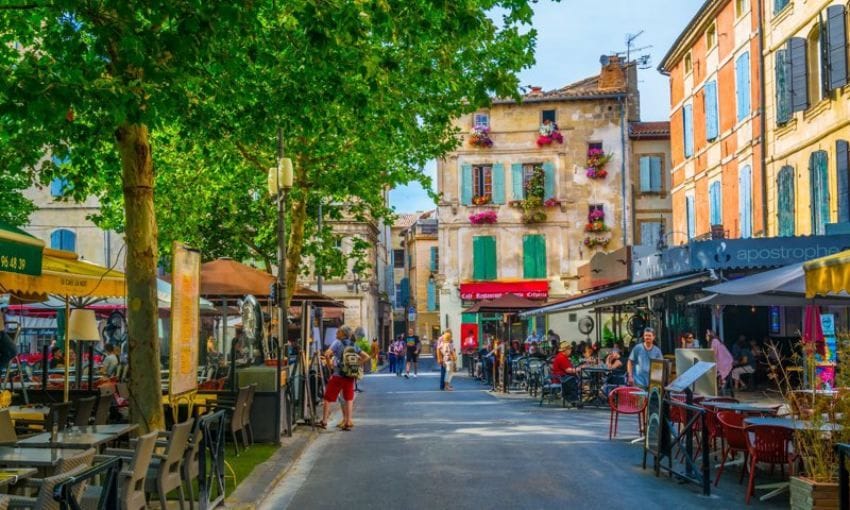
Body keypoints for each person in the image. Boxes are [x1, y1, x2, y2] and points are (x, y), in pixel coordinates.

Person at [320, 325, 369, 431]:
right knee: (348, 399)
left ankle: (324, 421)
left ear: (343, 333)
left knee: (328, 398)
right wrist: (357, 363)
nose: (336, 333)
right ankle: (348, 421)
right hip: (349, 376)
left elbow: (327, 354)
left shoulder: (337, 343)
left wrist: (330, 367)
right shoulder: (353, 344)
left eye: (338, 331)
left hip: (337, 375)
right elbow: (366, 356)